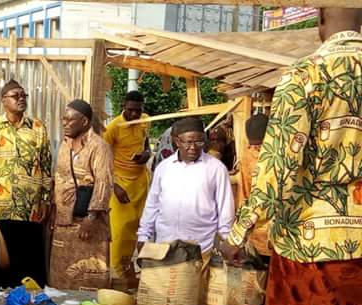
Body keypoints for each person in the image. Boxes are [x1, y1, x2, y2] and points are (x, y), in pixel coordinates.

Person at [220, 8, 362, 305]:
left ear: (319, 21)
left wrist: (238, 231)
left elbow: (278, 170)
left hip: (310, 255)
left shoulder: (305, 77)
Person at [0, 80, 52, 288]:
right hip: (1, 209)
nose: (20, 99)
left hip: (31, 209)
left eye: (23, 95)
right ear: (3, 100)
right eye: (15, 95)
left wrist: (45, 200)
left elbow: (46, 167)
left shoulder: (38, 128)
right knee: (0, 263)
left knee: (30, 265)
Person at [137, 117, 235, 263]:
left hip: (202, 248)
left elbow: (225, 208)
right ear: (177, 141)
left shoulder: (216, 169)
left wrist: (225, 240)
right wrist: (143, 236)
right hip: (165, 247)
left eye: (199, 141)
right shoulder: (164, 168)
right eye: (188, 142)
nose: (194, 147)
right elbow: (152, 205)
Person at [49, 100, 113, 290]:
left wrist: (91, 217)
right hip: (63, 220)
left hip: (87, 221)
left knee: (88, 273)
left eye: (70, 120)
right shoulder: (63, 146)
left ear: (84, 122)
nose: (65, 123)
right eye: (63, 119)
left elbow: (104, 182)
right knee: (61, 274)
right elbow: (59, 178)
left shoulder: (99, 146)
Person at [103, 90, 151, 288]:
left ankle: (128, 270)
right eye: (130, 110)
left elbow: (146, 144)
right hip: (120, 183)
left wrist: (146, 154)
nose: (133, 115)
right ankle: (115, 274)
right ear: (124, 106)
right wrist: (114, 186)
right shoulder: (114, 127)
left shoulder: (146, 120)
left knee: (137, 228)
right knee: (120, 231)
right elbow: (103, 161)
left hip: (140, 182)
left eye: (137, 111)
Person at [237, 114, 272, 259]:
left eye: (260, 146)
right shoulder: (248, 157)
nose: (256, 151)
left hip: (275, 232)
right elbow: (244, 195)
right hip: (260, 231)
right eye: (254, 146)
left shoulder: (247, 156)